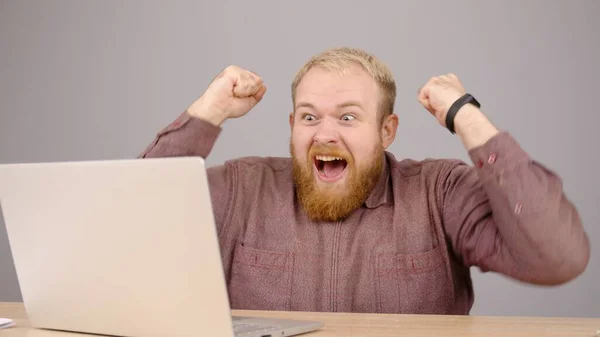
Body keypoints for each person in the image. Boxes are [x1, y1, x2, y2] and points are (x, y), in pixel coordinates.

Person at [139, 47, 590, 315]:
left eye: (348, 117)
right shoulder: (244, 188)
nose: (325, 132)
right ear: (292, 125)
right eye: (309, 117)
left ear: (387, 130)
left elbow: (557, 256)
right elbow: (137, 225)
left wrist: (465, 115)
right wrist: (208, 111)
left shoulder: (440, 192)